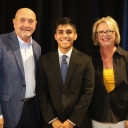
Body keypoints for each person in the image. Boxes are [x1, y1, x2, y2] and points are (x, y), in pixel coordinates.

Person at [36, 17, 95, 128]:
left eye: (69, 32)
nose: (65, 36)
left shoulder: (86, 60)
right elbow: (41, 91)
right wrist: (53, 119)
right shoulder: (44, 60)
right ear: (55, 36)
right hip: (52, 123)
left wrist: (72, 121)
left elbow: (87, 92)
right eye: (60, 32)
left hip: (78, 122)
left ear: (75, 36)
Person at [0, 8, 41, 128]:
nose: (26, 25)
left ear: (36, 24)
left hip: (33, 110)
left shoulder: (37, 48)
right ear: (14, 21)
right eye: (22, 20)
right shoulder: (1, 42)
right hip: (8, 112)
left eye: (30, 21)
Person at [89, 16, 128, 128]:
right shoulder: (89, 60)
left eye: (109, 31)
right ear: (96, 37)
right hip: (97, 117)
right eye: (100, 32)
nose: (105, 35)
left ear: (115, 34)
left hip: (122, 118)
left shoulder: (126, 58)